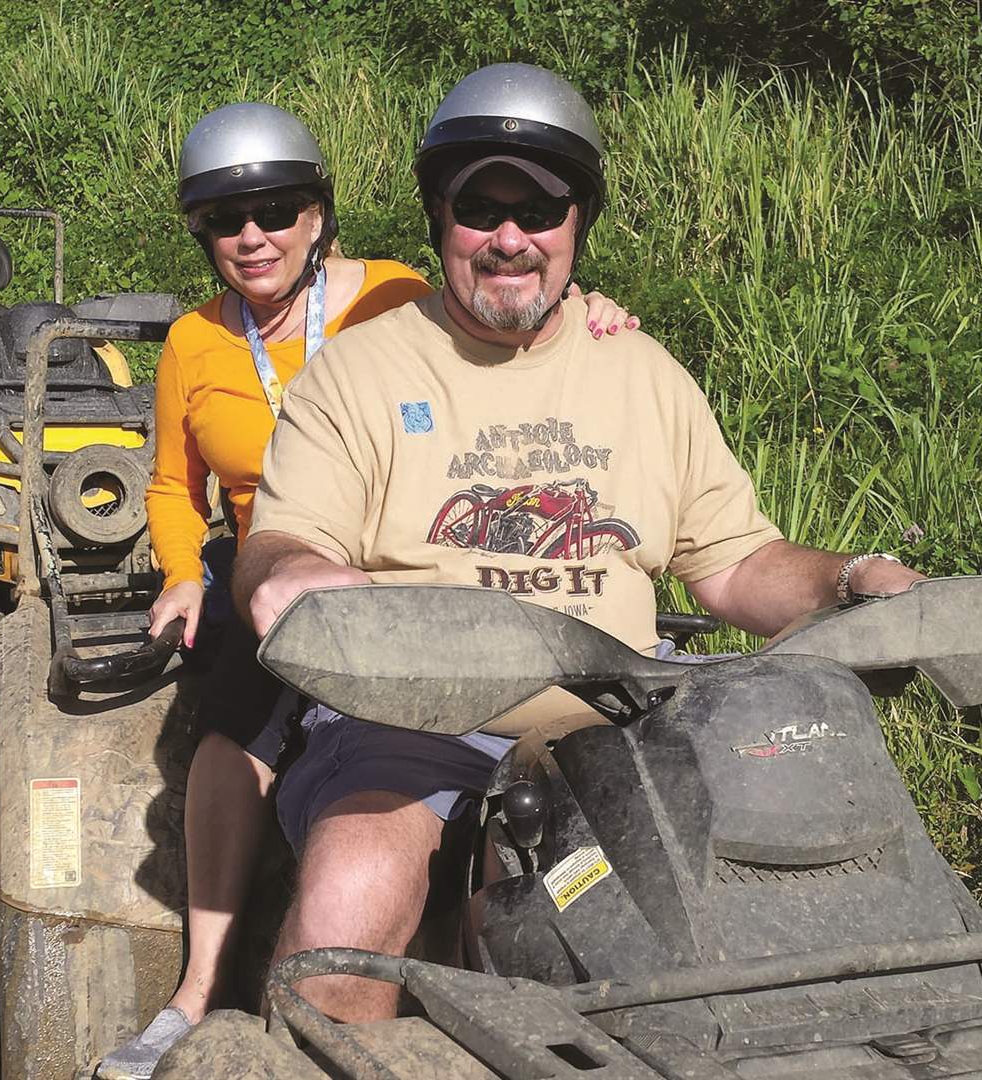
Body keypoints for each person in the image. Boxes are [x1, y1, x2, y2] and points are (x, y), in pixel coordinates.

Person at [233, 62, 925, 1024]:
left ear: (578, 224)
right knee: (349, 908)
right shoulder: (361, 370)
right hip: (411, 719)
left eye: (542, 208)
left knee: (790, 919)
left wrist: (853, 582)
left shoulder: (642, 372)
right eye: (483, 207)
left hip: (622, 718)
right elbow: (281, 544)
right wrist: (296, 576)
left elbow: (734, 562)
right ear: (440, 215)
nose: (511, 237)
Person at [97, 100, 636, 1080]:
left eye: (275, 207)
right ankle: (199, 988)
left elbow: (507, 330)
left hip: (408, 560)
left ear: (318, 215)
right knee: (230, 723)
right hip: (275, 563)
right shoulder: (192, 344)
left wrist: (595, 314)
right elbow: (176, 487)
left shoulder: (391, 295)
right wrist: (182, 572)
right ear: (202, 235)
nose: (252, 234)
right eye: (225, 218)